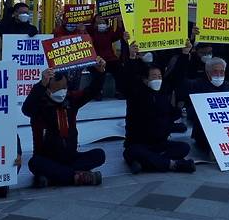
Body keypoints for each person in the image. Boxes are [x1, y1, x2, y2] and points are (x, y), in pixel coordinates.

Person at [22, 57, 108, 187]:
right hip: (47, 158)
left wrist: (100, 73)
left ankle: (54, 178)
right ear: (48, 90)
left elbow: (92, 91)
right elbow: (26, 109)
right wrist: (41, 84)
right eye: (57, 89)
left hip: (70, 157)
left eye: (64, 88)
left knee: (99, 155)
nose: (62, 92)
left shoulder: (71, 100)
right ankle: (77, 177)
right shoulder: (39, 105)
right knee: (34, 163)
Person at [123, 43, 195, 174]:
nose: (158, 79)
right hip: (139, 144)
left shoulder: (163, 92)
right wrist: (132, 58)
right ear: (145, 80)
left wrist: (184, 54)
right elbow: (128, 80)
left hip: (160, 144)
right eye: (154, 77)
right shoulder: (135, 94)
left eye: (160, 77)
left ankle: (146, 163)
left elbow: (176, 77)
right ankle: (172, 165)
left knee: (184, 147)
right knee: (132, 152)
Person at [187, 53, 229, 153]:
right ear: (207, 73)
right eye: (215, 72)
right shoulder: (197, 85)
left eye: (222, 72)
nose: (219, 75)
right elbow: (190, 112)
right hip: (204, 131)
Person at [89, 15, 125, 98]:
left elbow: (117, 36)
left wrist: (119, 23)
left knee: (119, 69)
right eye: (99, 21)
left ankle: (119, 91)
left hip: (110, 59)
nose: (101, 23)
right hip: (96, 59)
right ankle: (98, 92)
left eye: (103, 22)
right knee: (99, 72)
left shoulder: (109, 31)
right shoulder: (91, 32)